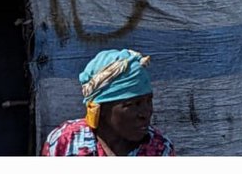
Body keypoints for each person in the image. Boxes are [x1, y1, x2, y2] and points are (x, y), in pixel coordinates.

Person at [41, 48, 174, 157]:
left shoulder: (160, 150)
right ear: (102, 108)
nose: (146, 113)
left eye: (148, 101)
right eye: (133, 104)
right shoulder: (66, 141)